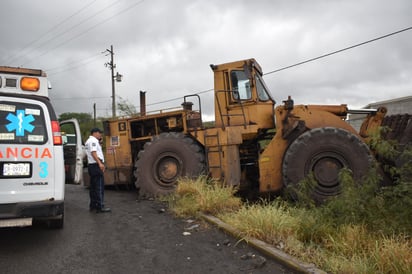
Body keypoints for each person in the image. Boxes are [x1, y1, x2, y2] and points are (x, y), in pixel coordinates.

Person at [85, 127, 111, 213]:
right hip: (95, 165)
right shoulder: (93, 141)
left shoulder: (90, 141)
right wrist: (100, 163)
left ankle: (93, 206)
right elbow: (93, 152)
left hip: (92, 165)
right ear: (95, 133)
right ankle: (100, 206)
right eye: (99, 133)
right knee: (99, 187)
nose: (100, 135)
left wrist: (100, 143)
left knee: (93, 187)